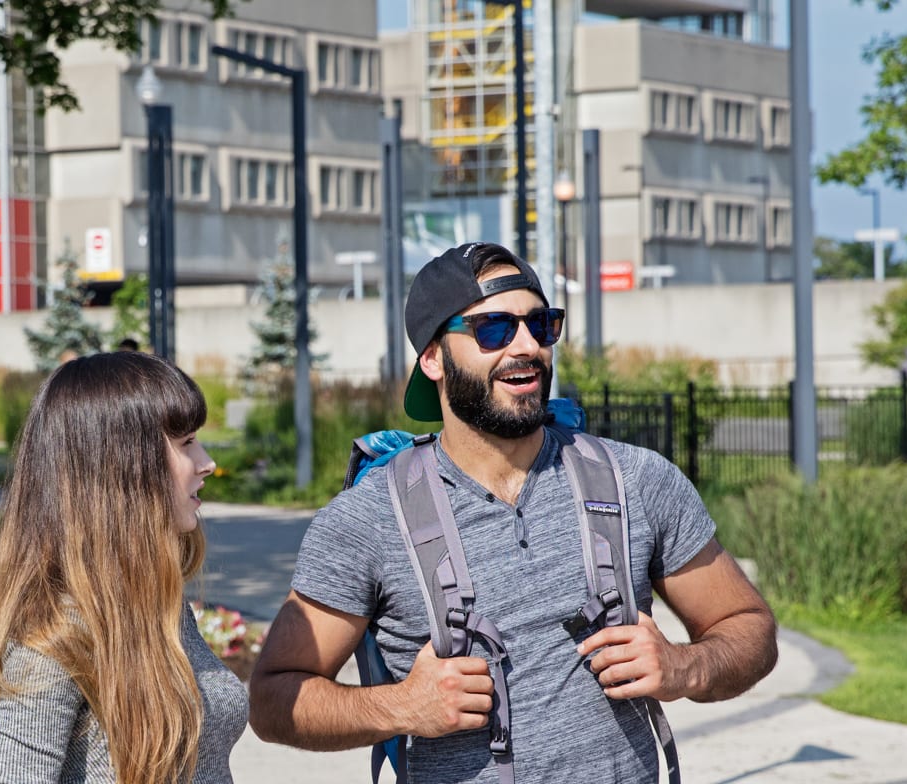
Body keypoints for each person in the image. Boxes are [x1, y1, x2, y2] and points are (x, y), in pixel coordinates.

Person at [247, 242, 778, 783]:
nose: (527, 346)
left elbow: (748, 628)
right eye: (494, 329)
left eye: (542, 325)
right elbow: (273, 699)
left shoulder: (636, 480)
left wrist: (683, 667)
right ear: (433, 357)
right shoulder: (368, 518)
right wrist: (403, 707)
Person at [0, 351, 243, 783]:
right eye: (187, 443)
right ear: (124, 466)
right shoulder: (58, 634)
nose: (207, 462)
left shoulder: (160, 604)